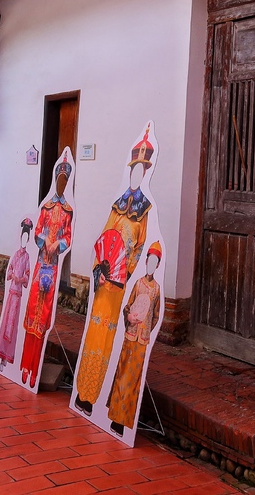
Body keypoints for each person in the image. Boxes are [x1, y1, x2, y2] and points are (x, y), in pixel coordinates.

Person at [74, 127, 154, 415]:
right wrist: (101, 269)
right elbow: (104, 240)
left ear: (147, 173)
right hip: (104, 283)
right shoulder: (117, 205)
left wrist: (125, 272)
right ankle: (82, 391)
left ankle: (96, 397)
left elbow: (140, 249)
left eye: (142, 169)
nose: (137, 174)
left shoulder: (146, 212)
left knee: (109, 339)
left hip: (121, 286)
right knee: (94, 335)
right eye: (134, 168)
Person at [20, 157, 73, 387]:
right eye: (59, 180)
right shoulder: (47, 207)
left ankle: (35, 366)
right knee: (32, 312)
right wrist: (44, 242)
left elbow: (68, 237)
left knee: (43, 317)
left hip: (52, 268)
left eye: (65, 180)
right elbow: (38, 231)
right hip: (42, 262)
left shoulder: (68, 212)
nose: (61, 184)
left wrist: (58, 244)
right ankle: (24, 366)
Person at [106, 242, 163, 436]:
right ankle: (114, 417)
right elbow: (127, 305)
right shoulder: (138, 283)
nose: (151, 265)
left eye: (155, 263)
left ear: (157, 266)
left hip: (142, 340)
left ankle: (125, 420)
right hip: (130, 335)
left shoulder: (157, 290)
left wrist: (148, 329)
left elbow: (156, 315)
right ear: (146, 261)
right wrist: (129, 316)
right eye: (150, 261)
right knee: (123, 373)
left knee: (134, 379)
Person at [0, 217, 32, 370]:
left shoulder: (27, 257)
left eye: (26, 238)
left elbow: (27, 275)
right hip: (11, 293)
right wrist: (12, 275)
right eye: (23, 237)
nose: (24, 240)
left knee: (13, 324)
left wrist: (21, 278)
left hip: (18, 295)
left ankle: (7, 356)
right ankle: (0, 353)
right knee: (5, 323)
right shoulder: (16, 255)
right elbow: (9, 270)